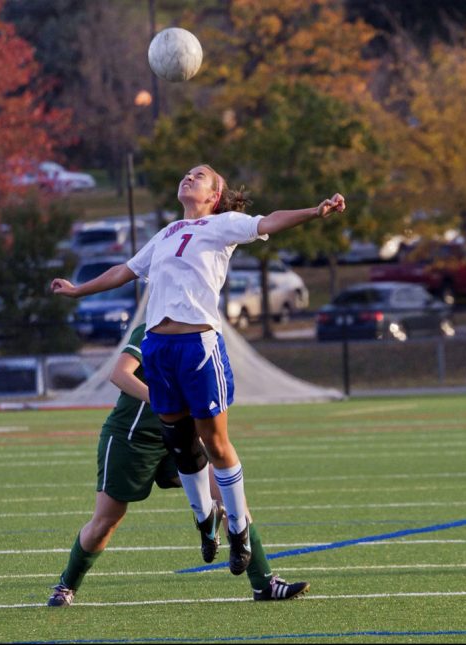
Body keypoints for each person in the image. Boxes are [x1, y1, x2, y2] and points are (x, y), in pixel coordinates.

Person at [51, 163, 344, 586]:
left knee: (215, 441)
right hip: (159, 348)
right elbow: (124, 272)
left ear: (214, 197)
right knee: (183, 446)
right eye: (186, 173)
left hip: (197, 346)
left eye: (201, 176)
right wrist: (79, 290)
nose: (189, 177)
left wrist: (314, 212)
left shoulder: (223, 225)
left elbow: (271, 221)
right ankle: (205, 522)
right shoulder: (166, 234)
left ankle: (239, 530)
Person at [47, 322, 310, 607]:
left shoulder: (203, 332)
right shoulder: (153, 326)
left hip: (179, 438)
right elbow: (119, 374)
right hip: (132, 438)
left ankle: (264, 584)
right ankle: (66, 586)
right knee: (106, 521)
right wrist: (162, 401)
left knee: (228, 496)